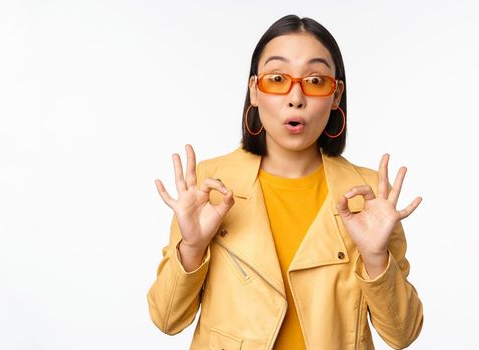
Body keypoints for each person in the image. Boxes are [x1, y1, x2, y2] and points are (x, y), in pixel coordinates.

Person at [147, 15, 424, 350]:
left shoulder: (369, 196)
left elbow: (402, 334)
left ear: (335, 96)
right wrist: (191, 248)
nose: (296, 97)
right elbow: (166, 320)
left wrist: (377, 258)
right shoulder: (208, 187)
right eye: (277, 78)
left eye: (316, 80)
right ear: (254, 91)